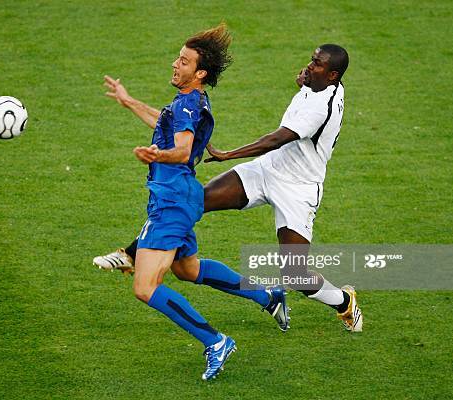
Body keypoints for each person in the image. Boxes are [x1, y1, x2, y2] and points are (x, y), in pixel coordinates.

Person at [96, 44, 363, 334]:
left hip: (297, 189)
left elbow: (275, 139)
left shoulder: (320, 107)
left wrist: (227, 154)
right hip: (268, 170)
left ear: (333, 75)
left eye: (318, 65)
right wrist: (307, 80)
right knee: (195, 201)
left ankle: (343, 301)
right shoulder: (323, 83)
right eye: (312, 60)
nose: (310, 67)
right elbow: (310, 87)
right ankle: (134, 253)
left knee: (295, 275)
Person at [102, 23, 288, 381]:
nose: (176, 64)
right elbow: (165, 123)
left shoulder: (189, 101)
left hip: (172, 200)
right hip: (184, 196)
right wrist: (128, 102)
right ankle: (268, 295)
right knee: (188, 270)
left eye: (184, 62)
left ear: (199, 73)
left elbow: (183, 149)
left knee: (144, 287)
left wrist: (157, 155)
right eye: (178, 58)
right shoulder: (190, 101)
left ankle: (215, 341)